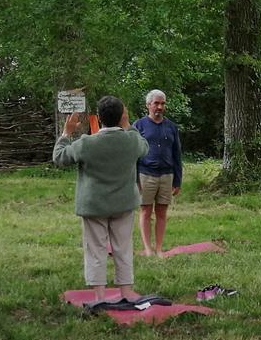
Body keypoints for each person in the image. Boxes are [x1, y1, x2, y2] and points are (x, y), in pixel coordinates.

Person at [53, 95, 151, 301]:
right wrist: (129, 125)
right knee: (123, 248)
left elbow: (60, 158)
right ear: (122, 116)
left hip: (94, 204)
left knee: (95, 250)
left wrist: (66, 133)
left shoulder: (87, 143)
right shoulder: (131, 140)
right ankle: (125, 292)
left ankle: (99, 296)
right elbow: (144, 146)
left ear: (98, 117)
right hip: (124, 203)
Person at [133, 90, 183, 257]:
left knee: (162, 212)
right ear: (148, 105)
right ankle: (148, 249)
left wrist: (178, 180)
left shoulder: (171, 127)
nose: (160, 107)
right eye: (156, 103)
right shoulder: (138, 126)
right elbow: (132, 155)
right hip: (145, 174)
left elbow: (177, 155)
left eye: (162, 103)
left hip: (167, 175)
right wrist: (135, 180)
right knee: (146, 211)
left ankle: (159, 248)